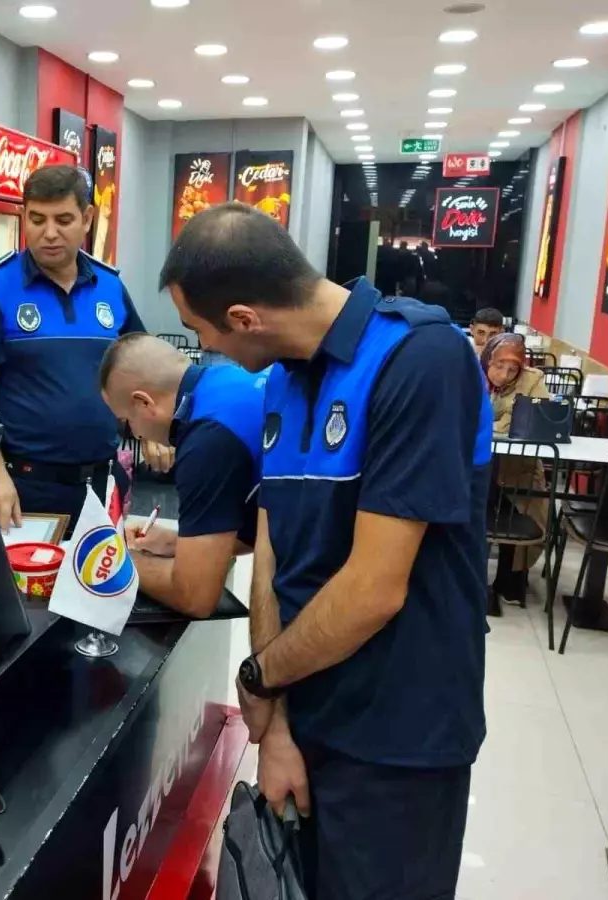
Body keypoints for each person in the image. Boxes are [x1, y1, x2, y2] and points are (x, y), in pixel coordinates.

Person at [159, 202, 491, 900]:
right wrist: (277, 721)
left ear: (244, 318)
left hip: (397, 738)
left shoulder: (421, 358)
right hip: (307, 714)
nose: (205, 350)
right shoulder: (283, 379)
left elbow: (374, 589)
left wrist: (259, 678)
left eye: (201, 332)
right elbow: (273, 554)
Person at [0, 165, 164, 531]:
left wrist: (156, 429)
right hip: (25, 486)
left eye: (63, 220)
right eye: (37, 219)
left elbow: (143, 366)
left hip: (102, 482)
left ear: (87, 219)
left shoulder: (110, 286)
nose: (49, 233)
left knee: (106, 569)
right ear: (24, 217)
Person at [98, 334, 266, 618]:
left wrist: (114, 560)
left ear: (143, 403)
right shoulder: (228, 380)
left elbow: (195, 596)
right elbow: (260, 521)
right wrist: (177, 542)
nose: (135, 434)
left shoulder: (207, 439)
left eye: (126, 422)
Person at [482, 332, 549, 610]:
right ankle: (472, 580)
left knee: (526, 515)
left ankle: (510, 581)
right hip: (478, 466)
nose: (504, 375)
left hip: (519, 469)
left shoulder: (533, 380)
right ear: (488, 359)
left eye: (513, 369)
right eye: (499, 366)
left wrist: (489, 423)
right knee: (478, 514)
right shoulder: (471, 372)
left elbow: (532, 419)